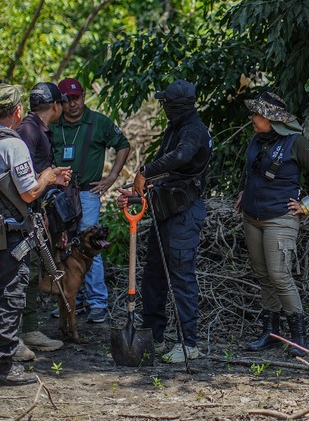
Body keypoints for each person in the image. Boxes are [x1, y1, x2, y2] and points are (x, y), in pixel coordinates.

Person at [0, 83, 70, 386]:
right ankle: (2, 366)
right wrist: (49, 177)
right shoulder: (13, 145)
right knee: (9, 298)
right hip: (8, 236)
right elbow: (28, 193)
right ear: (17, 111)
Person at [117, 79, 211, 363]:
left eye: (166, 103)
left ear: (176, 106)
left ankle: (189, 343)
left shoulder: (194, 131)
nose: (164, 107)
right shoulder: (176, 128)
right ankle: (154, 337)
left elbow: (180, 158)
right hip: (164, 211)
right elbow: (162, 170)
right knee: (153, 276)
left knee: (181, 278)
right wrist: (133, 195)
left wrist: (145, 170)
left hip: (184, 214)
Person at [235, 91, 309, 356]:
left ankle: (300, 339)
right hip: (252, 217)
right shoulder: (257, 140)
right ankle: (271, 334)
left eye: (258, 114)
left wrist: (307, 205)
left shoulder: (295, 142)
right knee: (264, 276)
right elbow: (248, 168)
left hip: (280, 218)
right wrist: (243, 191)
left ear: (272, 118)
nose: (253, 118)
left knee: (279, 275)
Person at [51, 78, 130, 323]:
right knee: (62, 244)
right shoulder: (54, 124)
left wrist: (112, 176)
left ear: (84, 96)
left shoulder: (98, 122)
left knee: (90, 244)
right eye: (67, 100)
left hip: (87, 192)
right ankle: (71, 297)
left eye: (77, 98)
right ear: (60, 102)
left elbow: (123, 145)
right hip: (59, 193)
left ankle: (97, 301)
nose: (73, 104)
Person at [14, 82, 68, 357]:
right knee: (21, 273)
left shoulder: (39, 130)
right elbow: (21, 177)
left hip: (34, 210)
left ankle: (30, 329)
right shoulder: (28, 130)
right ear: (56, 105)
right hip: (19, 214)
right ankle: (14, 334)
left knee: (33, 270)